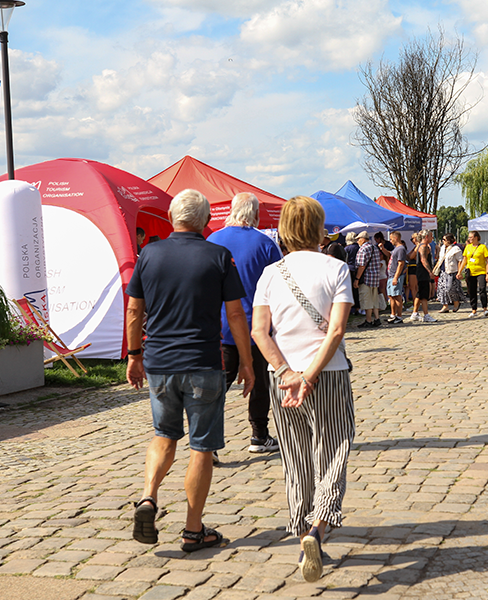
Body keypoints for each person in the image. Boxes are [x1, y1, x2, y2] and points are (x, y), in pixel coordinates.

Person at [126, 189, 253, 553]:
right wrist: (245, 361)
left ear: (170, 217)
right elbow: (234, 314)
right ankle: (193, 530)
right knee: (201, 447)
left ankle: (149, 496)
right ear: (206, 220)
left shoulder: (148, 254)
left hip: (160, 363)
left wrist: (135, 355)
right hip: (203, 363)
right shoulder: (218, 256)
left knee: (163, 435)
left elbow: (135, 310)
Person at [251, 195, 354, 583]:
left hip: (284, 377)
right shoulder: (336, 268)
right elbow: (337, 330)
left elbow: (260, 331)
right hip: (326, 374)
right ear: (319, 228)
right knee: (334, 446)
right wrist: (309, 376)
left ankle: (302, 535)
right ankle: (318, 527)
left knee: (296, 457)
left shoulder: (270, 274)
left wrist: (286, 371)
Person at [207, 192, 282, 456]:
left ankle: (209, 442)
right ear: (255, 214)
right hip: (257, 326)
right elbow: (279, 286)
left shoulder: (212, 240)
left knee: (218, 385)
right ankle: (259, 435)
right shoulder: (265, 244)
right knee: (260, 383)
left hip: (221, 325)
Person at [457, 231, 488, 317]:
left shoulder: (483, 247)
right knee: (472, 291)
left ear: (476, 238)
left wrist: (487, 273)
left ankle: (485, 308)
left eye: (471, 237)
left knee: (482, 289)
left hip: (481, 271)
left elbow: (487, 261)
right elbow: (464, 260)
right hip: (470, 271)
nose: (469, 239)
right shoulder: (467, 247)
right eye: (469, 237)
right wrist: (459, 271)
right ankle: (474, 309)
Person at [354, 231, 380, 328]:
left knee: (367, 300)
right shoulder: (375, 248)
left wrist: (357, 279)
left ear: (363, 239)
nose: (357, 241)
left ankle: (368, 320)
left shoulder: (363, 249)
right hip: (375, 278)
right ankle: (377, 318)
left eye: (358, 239)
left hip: (366, 278)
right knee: (374, 300)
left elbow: (361, 266)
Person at [410, 230, 437, 322]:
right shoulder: (423, 246)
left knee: (419, 294)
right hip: (423, 273)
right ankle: (426, 315)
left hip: (421, 272)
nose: (432, 238)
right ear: (426, 237)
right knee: (424, 295)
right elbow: (423, 259)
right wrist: (430, 271)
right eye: (431, 236)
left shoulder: (422, 246)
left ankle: (415, 313)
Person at [434, 233, 464, 312]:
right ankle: (445, 306)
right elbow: (440, 259)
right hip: (443, 271)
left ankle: (456, 302)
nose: (443, 241)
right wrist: (435, 268)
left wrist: (459, 272)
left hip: (452, 272)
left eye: (444, 239)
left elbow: (460, 261)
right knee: (442, 289)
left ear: (449, 240)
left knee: (451, 289)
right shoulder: (442, 248)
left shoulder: (456, 249)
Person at [385, 231, 407, 323]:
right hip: (391, 275)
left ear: (396, 238)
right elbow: (391, 255)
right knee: (391, 296)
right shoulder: (396, 249)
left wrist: (396, 277)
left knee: (397, 295)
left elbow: (401, 263)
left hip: (395, 275)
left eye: (391, 239)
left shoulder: (401, 249)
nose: (390, 241)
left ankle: (399, 316)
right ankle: (393, 314)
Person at [344, 232, 360, 314]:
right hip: (358, 269)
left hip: (349, 269)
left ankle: (351, 308)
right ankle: (358, 308)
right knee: (357, 290)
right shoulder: (359, 247)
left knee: (350, 289)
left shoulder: (347, 248)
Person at [405, 232, 419, 304]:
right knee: (415, 287)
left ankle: (415, 302)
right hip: (415, 267)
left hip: (413, 267)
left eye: (412, 239)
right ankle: (416, 302)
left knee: (413, 286)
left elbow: (411, 256)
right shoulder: (416, 247)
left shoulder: (417, 246)